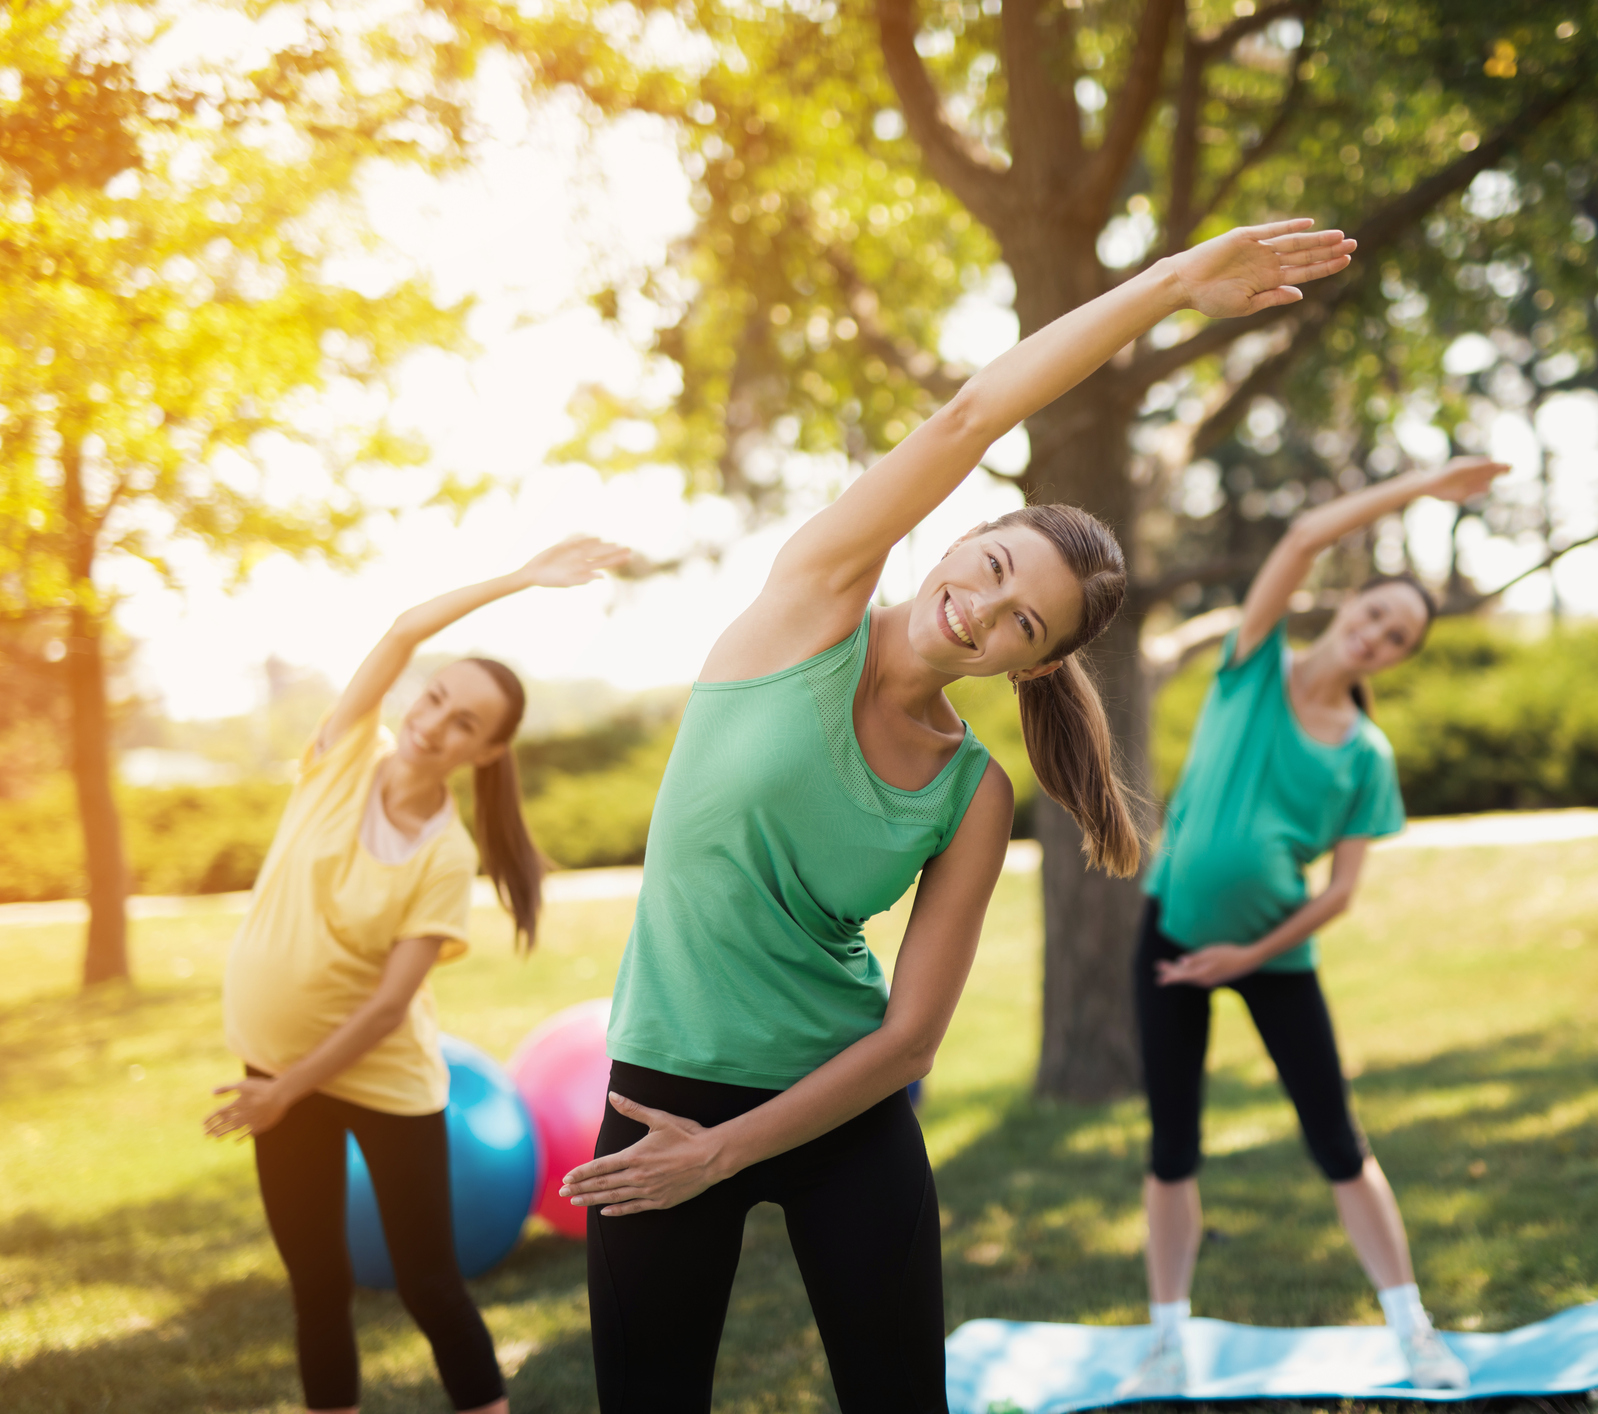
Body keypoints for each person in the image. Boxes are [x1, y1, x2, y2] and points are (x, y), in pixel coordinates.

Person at [551, 217, 1358, 1412]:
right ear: (962, 537)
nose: (980, 609)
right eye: (990, 566)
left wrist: (727, 1154)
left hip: (842, 1109)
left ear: (1033, 663)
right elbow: (970, 416)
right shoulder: (813, 601)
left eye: (1023, 622)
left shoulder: (971, 791)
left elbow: (910, 1041)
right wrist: (1171, 284)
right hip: (663, 1089)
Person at [207, 534, 630, 1414]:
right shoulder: (339, 757)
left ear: (486, 752)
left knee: (429, 1285)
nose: (435, 724)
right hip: (275, 1074)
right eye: (436, 698)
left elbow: (389, 1005)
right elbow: (403, 631)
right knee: (316, 1286)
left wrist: (286, 1092)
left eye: (464, 723)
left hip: (383, 1084)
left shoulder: (445, 855)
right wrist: (522, 577)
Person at [1122, 455, 1506, 1396]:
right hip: (1171, 937)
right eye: (1375, 613)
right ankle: (1166, 1343)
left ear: (1400, 658)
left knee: (1339, 1142)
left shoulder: (1366, 754)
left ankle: (1414, 1331)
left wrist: (1245, 958)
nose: (1378, 635)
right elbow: (1300, 537)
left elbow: (1339, 894)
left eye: (1398, 636)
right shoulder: (1252, 664)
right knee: (1171, 1147)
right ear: (1349, 605)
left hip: (1274, 955)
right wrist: (1420, 488)